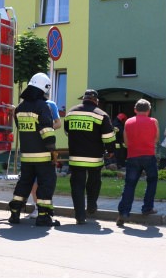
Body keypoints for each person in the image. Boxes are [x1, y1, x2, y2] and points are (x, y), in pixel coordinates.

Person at [7, 73, 60, 227]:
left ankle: (15, 213)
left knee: (24, 183)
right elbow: (47, 131)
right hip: (43, 156)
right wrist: (53, 151)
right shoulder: (42, 106)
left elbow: (22, 129)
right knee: (46, 184)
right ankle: (43, 217)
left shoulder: (19, 108)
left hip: (26, 156)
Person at [64, 89, 116, 224]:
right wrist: (111, 151)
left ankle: (80, 216)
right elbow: (108, 137)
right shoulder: (101, 115)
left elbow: (66, 131)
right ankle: (92, 205)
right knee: (94, 183)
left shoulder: (71, 113)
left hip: (76, 157)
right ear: (96, 101)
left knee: (77, 186)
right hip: (94, 158)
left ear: (83, 99)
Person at [116, 99, 159, 226]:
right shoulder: (153, 121)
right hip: (148, 155)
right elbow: (156, 139)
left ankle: (123, 212)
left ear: (135, 110)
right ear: (148, 110)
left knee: (129, 185)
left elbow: (126, 142)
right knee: (152, 181)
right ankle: (147, 208)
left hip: (133, 156)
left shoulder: (128, 122)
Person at [27, 97, 62, 219]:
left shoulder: (50, 104)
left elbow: (58, 123)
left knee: (46, 179)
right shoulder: (28, 104)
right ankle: (37, 207)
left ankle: (45, 208)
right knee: (32, 180)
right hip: (31, 148)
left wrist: (44, 127)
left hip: (47, 147)